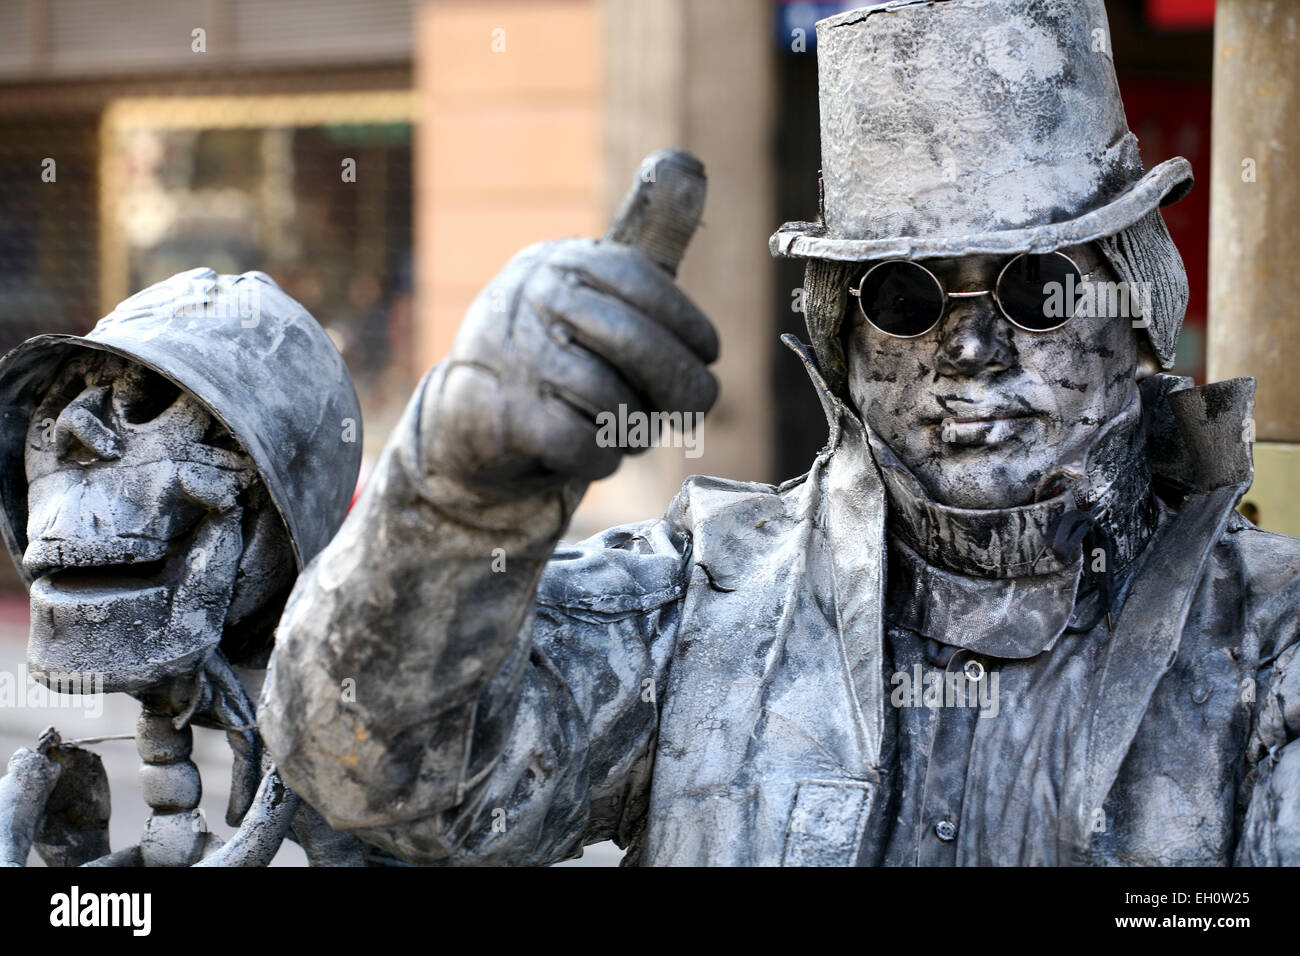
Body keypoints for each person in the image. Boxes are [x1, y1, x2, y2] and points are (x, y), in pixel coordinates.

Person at [260, 0, 1300, 866]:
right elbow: (364, 769)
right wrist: (454, 496)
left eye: (1035, 286)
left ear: (1138, 308)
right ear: (839, 339)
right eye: (903, 296)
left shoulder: (1270, 637)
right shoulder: (700, 603)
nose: (971, 347)